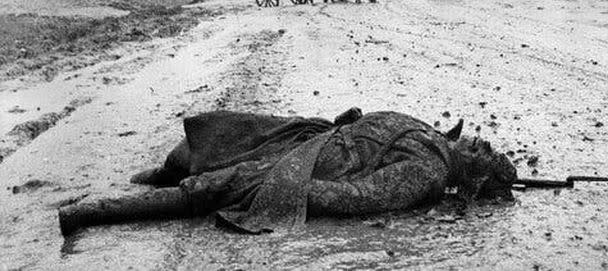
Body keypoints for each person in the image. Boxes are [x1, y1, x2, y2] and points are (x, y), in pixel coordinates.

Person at [58, 108, 517, 235]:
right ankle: (163, 172)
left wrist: (290, 187)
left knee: (215, 187)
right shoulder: (433, 135)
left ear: (474, 179)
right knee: (235, 129)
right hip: (316, 140)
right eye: (488, 145)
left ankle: (91, 213)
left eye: (487, 157)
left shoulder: (428, 171)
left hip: (310, 165)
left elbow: (361, 198)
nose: (483, 144)